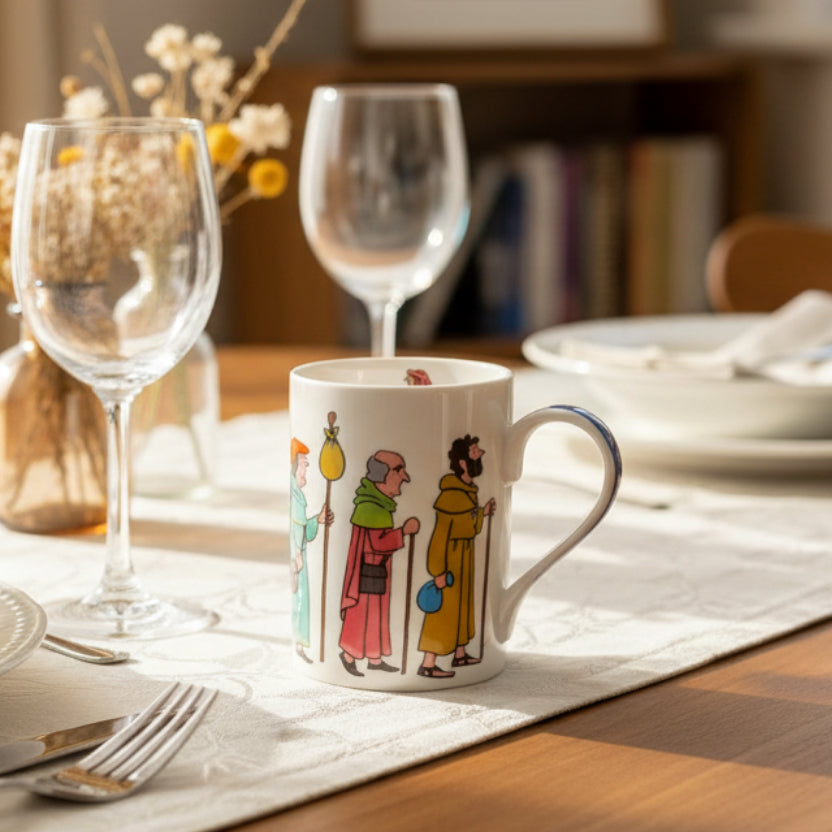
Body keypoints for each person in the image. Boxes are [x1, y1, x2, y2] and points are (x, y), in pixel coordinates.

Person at [417, 435, 496, 678]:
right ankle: (428, 664)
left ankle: (459, 654)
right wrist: (437, 571)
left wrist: (482, 514)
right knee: (443, 613)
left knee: (462, 608)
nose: (481, 453)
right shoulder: (451, 496)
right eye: (474, 451)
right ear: (462, 462)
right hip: (450, 561)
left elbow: (469, 528)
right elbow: (440, 536)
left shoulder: (468, 491)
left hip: (465, 557)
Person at [339, 450, 419, 676]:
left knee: (377, 616)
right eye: (399, 471)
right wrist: (403, 531)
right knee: (362, 616)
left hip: (377, 572)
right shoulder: (370, 507)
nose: (403, 478)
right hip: (366, 573)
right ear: (383, 475)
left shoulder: (381, 504)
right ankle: (348, 655)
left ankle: (375, 659)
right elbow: (377, 543)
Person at [290, 437, 332, 664]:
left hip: (300, 557)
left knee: (302, 599)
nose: (306, 468)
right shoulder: (296, 497)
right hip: (298, 559)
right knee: (299, 599)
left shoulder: (299, 497)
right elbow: (298, 531)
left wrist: (318, 519)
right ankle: (299, 645)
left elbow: (304, 529)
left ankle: (301, 645)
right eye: (304, 463)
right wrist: (296, 553)